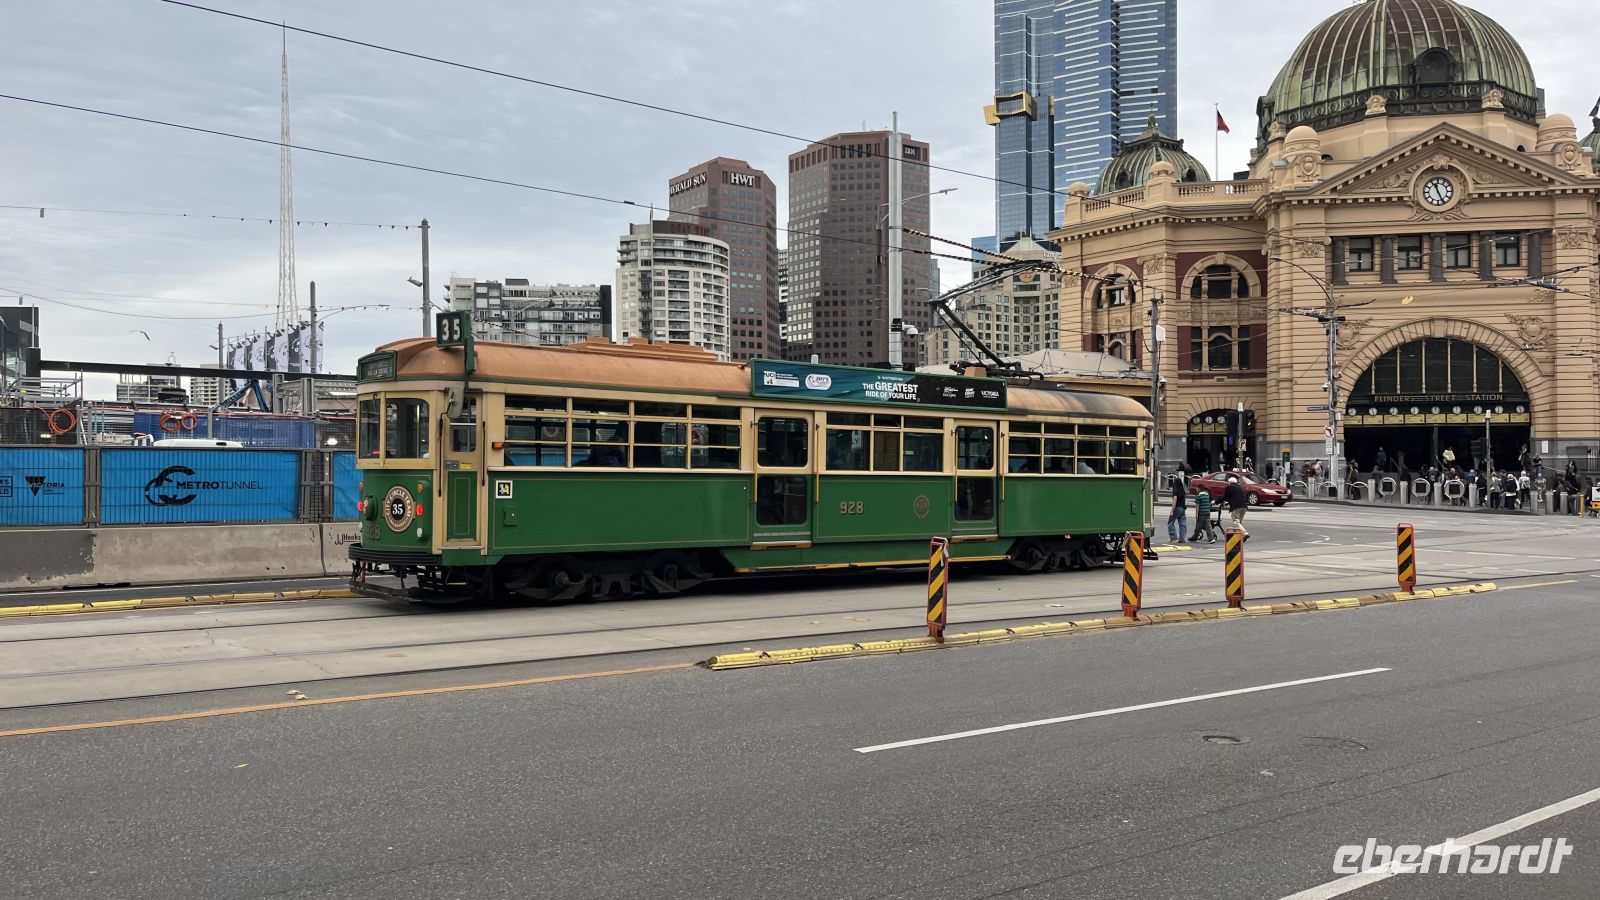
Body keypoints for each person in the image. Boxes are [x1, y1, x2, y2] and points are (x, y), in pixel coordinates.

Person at [1222, 475, 1249, 539]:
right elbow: (1236, 496)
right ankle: (1237, 537)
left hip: (1236, 507)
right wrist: (1229, 502)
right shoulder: (1239, 487)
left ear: (1229, 482)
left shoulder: (1229, 487)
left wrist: (1216, 501)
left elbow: (1225, 497)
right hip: (1244, 506)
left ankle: (1245, 533)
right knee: (1239, 523)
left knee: (1235, 522)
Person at [1166, 470, 1189, 543]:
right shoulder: (1182, 491)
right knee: (1182, 523)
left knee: (1170, 523)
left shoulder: (1175, 490)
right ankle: (1182, 538)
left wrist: (1172, 511)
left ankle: (1173, 537)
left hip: (1177, 508)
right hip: (1183, 508)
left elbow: (1174, 501)